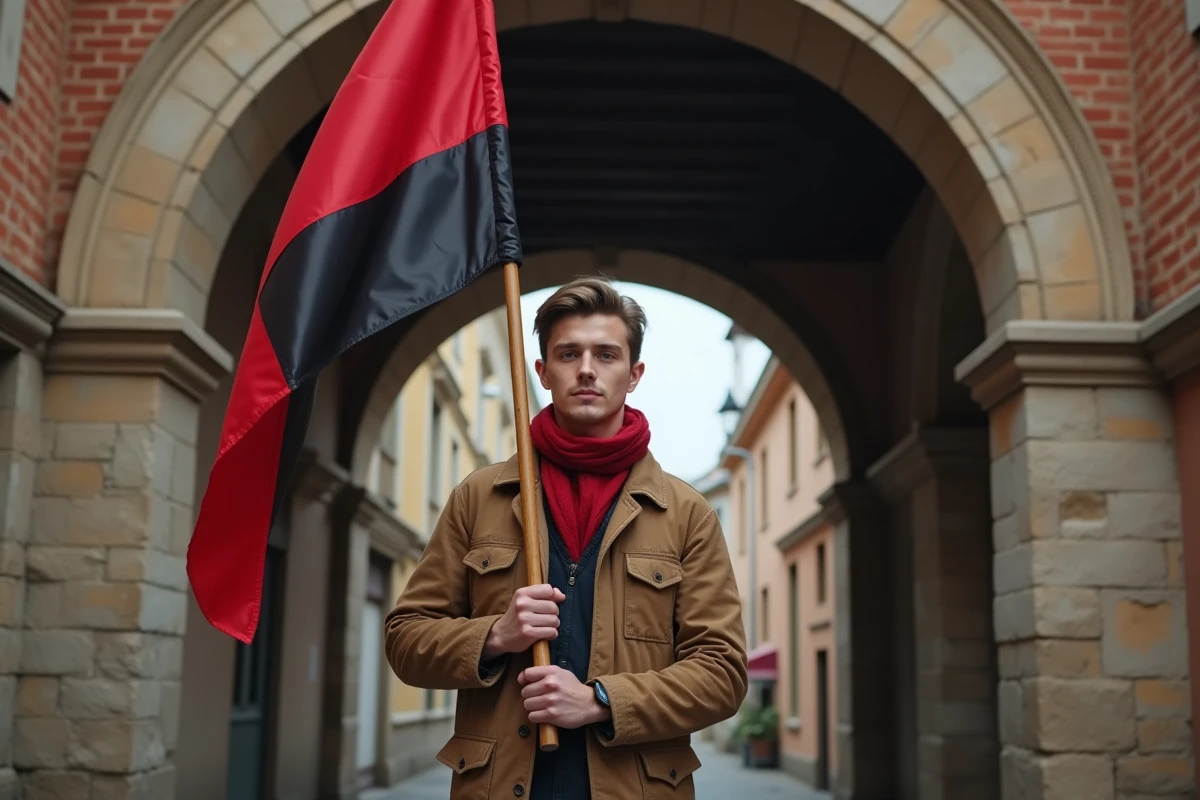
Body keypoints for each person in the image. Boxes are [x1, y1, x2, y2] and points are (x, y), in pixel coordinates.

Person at [384, 276, 747, 799]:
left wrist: (602, 700)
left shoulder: (686, 512)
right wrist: (494, 635)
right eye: (568, 353)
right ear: (542, 371)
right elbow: (405, 640)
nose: (586, 370)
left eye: (606, 355)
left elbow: (722, 673)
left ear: (633, 373)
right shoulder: (480, 496)